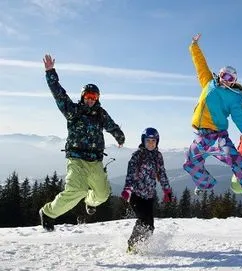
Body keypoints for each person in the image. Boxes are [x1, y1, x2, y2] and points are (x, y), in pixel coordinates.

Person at [39, 54, 125, 231]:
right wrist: (50, 72)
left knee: (102, 194)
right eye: (87, 96)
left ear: (97, 98)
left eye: (94, 96)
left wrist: (119, 135)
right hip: (76, 159)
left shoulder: (100, 114)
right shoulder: (73, 111)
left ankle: (90, 201)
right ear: (83, 96)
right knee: (76, 190)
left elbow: (111, 126)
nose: (90, 99)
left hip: (95, 161)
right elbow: (58, 94)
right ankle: (48, 213)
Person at [183, 33, 242, 196]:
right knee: (190, 163)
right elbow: (200, 65)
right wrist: (194, 46)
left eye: (230, 78)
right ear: (219, 75)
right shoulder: (208, 82)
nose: (226, 79)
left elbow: (240, 119)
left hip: (217, 136)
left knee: (232, 156)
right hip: (200, 136)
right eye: (224, 75)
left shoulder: (234, 97)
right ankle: (205, 184)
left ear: (234, 81)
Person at [121, 127, 174, 253]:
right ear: (143, 141)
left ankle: (141, 246)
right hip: (136, 195)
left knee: (150, 226)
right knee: (143, 220)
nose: (151, 143)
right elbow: (130, 174)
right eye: (148, 141)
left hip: (149, 197)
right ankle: (132, 245)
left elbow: (162, 173)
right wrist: (128, 189)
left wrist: (167, 190)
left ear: (157, 142)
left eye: (153, 141)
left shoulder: (158, 156)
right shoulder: (137, 156)